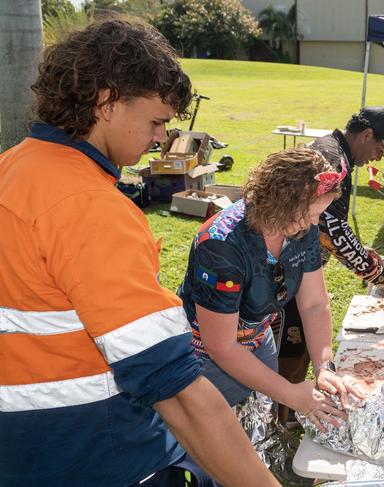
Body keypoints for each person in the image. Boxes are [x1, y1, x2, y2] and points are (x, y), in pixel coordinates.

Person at [0, 19, 279, 487]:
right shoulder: (87, 206)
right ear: (107, 101)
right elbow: (178, 393)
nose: (159, 139)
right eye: (156, 122)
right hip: (101, 457)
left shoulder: (12, 168)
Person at [177, 147, 362, 431]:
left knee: (259, 429)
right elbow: (222, 346)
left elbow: (314, 304)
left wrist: (324, 365)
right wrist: (291, 393)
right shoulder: (221, 245)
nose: (315, 223)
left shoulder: (303, 228)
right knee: (219, 441)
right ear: (282, 203)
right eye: (312, 214)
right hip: (206, 360)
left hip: (258, 339)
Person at [273, 107, 384, 421]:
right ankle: (284, 416)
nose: (378, 157)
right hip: (289, 271)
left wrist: (360, 250)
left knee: (302, 341)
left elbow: (330, 228)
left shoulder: (334, 150)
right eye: (379, 148)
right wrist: (380, 274)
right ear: (366, 135)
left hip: (297, 267)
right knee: (292, 346)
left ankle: (288, 410)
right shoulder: (332, 160)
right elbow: (330, 230)